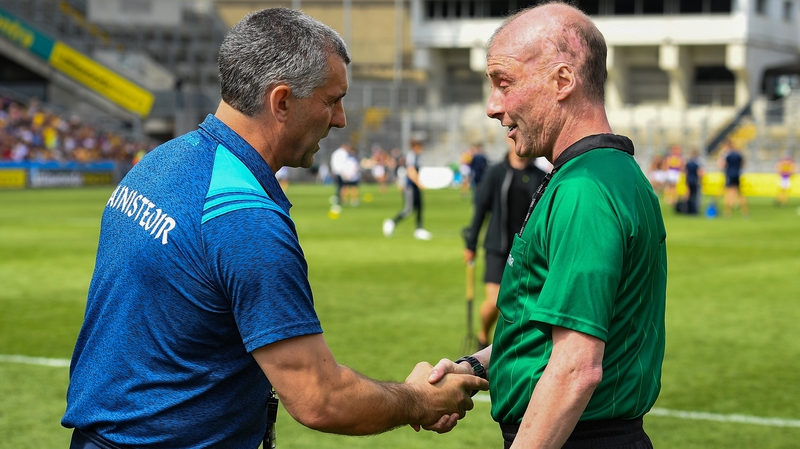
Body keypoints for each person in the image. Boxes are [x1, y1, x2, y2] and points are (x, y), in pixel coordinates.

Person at [61, 8, 487, 449]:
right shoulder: (244, 219)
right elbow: (320, 398)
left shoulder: (160, 162)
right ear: (281, 102)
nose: (340, 119)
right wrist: (418, 399)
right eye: (331, 100)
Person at [428, 3, 667, 448]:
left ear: (563, 81)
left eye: (504, 84)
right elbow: (549, 331)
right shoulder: (598, 174)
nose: (492, 106)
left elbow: (576, 367)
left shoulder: (586, 190)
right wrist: (472, 368)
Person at [463, 137, 547, 349]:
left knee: (518, 304)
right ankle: (484, 333)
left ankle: (508, 348)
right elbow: (480, 209)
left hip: (526, 250)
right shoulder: (496, 173)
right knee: (495, 302)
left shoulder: (539, 176)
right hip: (497, 247)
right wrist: (470, 244)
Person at [383, 140, 432, 240]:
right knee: (408, 209)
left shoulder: (416, 156)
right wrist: (419, 183)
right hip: (410, 187)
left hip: (414, 186)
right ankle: (392, 222)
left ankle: (419, 229)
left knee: (419, 207)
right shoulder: (412, 156)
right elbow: (410, 171)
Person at [718, 140, 748, 217]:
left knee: (729, 193)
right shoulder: (738, 154)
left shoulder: (726, 155)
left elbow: (722, 164)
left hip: (729, 175)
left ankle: (727, 212)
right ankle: (745, 212)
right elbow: (743, 164)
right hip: (737, 174)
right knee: (740, 193)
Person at [682, 149, 704, 215]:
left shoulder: (688, 163)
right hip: (694, 180)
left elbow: (684, 171)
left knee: (687, 194)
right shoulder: (697, 164)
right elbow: (699, 173)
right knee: (695, 195)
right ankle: (694, 209)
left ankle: (685, 208)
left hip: (688, 180)